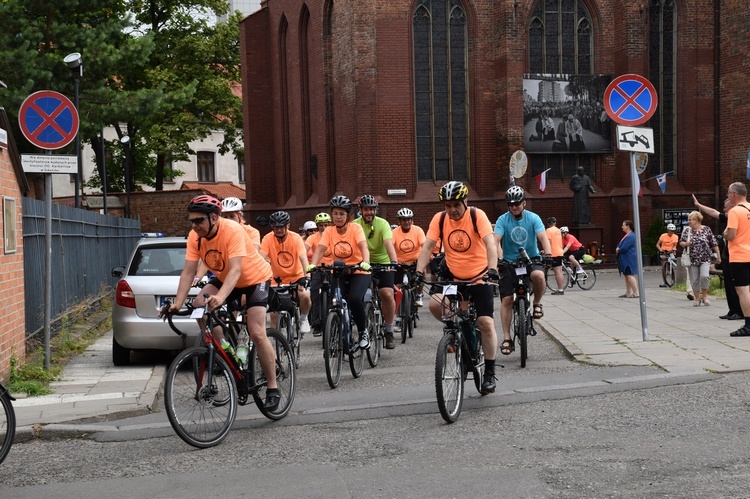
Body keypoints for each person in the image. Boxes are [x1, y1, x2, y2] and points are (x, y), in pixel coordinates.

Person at [163, 195, 280, 411]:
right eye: (192, 221)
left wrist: (221, 297)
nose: (194, 225)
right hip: (226, 279)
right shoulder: (195, 237)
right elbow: (189, 272)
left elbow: (237, 269)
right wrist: (177, 303)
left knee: (256, 332)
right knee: (199, 305)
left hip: (254, 279)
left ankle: (273, 387)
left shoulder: (232, 230)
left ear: (214, 218)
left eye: (199, 220)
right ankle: (225, 354)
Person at [414, 181, 499, 395]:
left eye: (456, 205)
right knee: (435, 305)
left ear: (465, 202)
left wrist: (493, 268)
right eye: (448, 205)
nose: (452, 210)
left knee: (485, 322)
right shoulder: (440, 219)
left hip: (480, 276)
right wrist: (418, 271)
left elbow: (490, 243)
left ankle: (489, 371)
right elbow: (428, 246)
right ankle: (456, 333)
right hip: (453, 276)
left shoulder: (477, 216)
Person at [494, 186, 553, 358]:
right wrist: (499, 259)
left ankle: (537, 304)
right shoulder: (502, 220)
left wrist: (548, 254)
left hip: (530, 259)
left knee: (538, 275)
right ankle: (506, 338)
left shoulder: (533, 218)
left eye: (517, 203)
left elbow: (543, 237)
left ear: (524, 203)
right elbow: (496, 240)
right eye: (511, 204)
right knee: (506, 300)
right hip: (508, 263)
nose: (514, 207)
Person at [309, 196, 372, 348]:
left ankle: (363, 332)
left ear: (348, 216)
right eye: (335, 213)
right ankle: (338, 328)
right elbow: (321, 249)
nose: (338, 217)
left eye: (341, 214)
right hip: (339, 271)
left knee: (354, 299)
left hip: (358, 271)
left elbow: (363, 246)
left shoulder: (355, 228)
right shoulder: (329, 231)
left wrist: (366, 262)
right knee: (335, 302)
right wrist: (312, 265)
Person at [353, 195, 399, 349]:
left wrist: (393, 262)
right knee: (357, 295)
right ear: (360, 210)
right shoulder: (355, 225)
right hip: (363, 263)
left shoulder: (383, 224)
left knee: (386, 293)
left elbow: (388, 243)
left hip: (383, 262)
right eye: (366, 209)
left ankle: (389, 330)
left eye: (372, 209)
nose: (369, 212)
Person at [260, 211, 312, 334]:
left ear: (287, 226)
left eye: (281, 227)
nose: (278, 230)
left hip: (296, 276)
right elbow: (261, 258)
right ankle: (277, 343)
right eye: (275, 227)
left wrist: (307, 276)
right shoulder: (268, 238)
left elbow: (303, 258)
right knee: (273, 314)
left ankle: (303, 319)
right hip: (276, 279)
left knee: (305, 295)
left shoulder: (296, 238)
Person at [693, 194, 743, 319]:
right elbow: (714, 213)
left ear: (732, 207)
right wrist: (699, 205)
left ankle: (739, 311)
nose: (724, 209)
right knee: (728, 284)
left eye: (725, 207)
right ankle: (732, 310)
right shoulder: (728, 217)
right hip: (727, 256)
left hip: (736, 255)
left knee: (735, 285)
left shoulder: (738, 216)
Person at [724, 183, 750, 336]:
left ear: (734, 194)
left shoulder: (735, 211)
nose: (728, 196)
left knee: (743, 290)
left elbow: (731, 235)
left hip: (740, 255)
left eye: (728, 194)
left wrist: (725, 233)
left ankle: (748, 325)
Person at [680, 211, 720, 306]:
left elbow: (713, 243)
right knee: (694, 279)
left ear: (697, 220)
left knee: (704, 276)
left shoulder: (706, 229)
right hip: (692, 259)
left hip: (705, 258)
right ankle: (697, 298)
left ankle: (705, 296)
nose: (689, 221)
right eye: (688, 219)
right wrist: (686, 244)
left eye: (691, 219)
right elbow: (681, 242)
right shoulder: (687, 230)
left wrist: (718, 255)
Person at [305, 212, 333, 336]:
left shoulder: (334, 236)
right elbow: (304, 248)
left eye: (326, 225)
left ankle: (334, 320)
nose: (323, 228)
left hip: (332, 269)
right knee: (314, 294)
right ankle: (316, 324)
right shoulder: (313, 237)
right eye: (321, 225)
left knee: (335, 294)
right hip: (317, 269)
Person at [392, 207, 426, 307]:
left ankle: (419, 295)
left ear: (412, 220)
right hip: (399, 263)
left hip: (415, 262)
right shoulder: (394, 233)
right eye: (403, 220)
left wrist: (427, 256)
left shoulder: (418, 230)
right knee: (397, 289)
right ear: (399, 221)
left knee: (422, 272)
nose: (406, 222)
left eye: (408, 219)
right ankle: (398, 317)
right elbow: (389, 246)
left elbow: (424, 245)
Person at [616, 220, 639, 298]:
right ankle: (628, 292)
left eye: (623, 225)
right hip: (626, 258)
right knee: (626, 275)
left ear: (628, 226)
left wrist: (618, 250)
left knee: (629, 275)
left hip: (629, 258)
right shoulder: (628, 235)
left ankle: (636, 292)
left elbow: (625, 247)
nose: (622, 227)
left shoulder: (631, 236)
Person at [545, 217, 566, 295]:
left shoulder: (548, 230)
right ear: (555, 223)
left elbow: (548, 242)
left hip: (553, 253)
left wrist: (545, 251)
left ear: (548, 223)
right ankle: (561, 288)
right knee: (560, 271)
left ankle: (560, 290)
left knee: (557, 272)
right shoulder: (558, 230)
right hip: (560, 252)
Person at [656, 223, 679, 287]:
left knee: (670, 266)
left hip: (671, 251)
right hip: (663, 251)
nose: (671, 233)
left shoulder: (676, 237)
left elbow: (675, 246)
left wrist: (674, 250)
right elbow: (657, 244)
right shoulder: (663, 236)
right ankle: (664, 282)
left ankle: (672, 278)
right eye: (669, 231)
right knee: (664, 267)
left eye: (672, 231)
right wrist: (661, 250)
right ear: (667, 230)